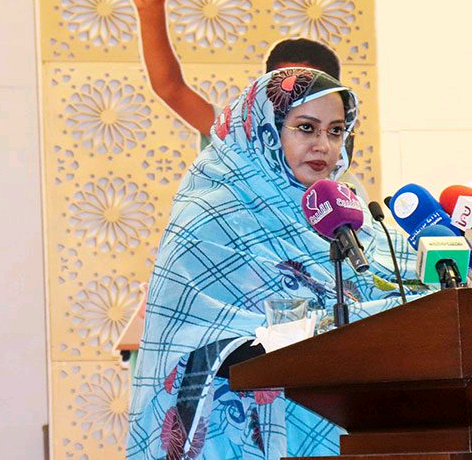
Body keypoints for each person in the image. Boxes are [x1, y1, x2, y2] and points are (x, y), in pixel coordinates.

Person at [126, 68, 421, 459]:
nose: (324, 146)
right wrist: (323, 329)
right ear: (264, 130)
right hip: (241, 432)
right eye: (306, 128)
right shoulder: (210, 215)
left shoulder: (349, 217)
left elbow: (413, 291)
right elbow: (193, 344)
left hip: (349, 426)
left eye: (336, 131)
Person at [122, 0, 342, 138]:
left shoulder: (336, 163)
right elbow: (170, 88)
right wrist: (151, 9)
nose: (294, 105)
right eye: (285, 92)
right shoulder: (238, 137)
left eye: (309, 94)